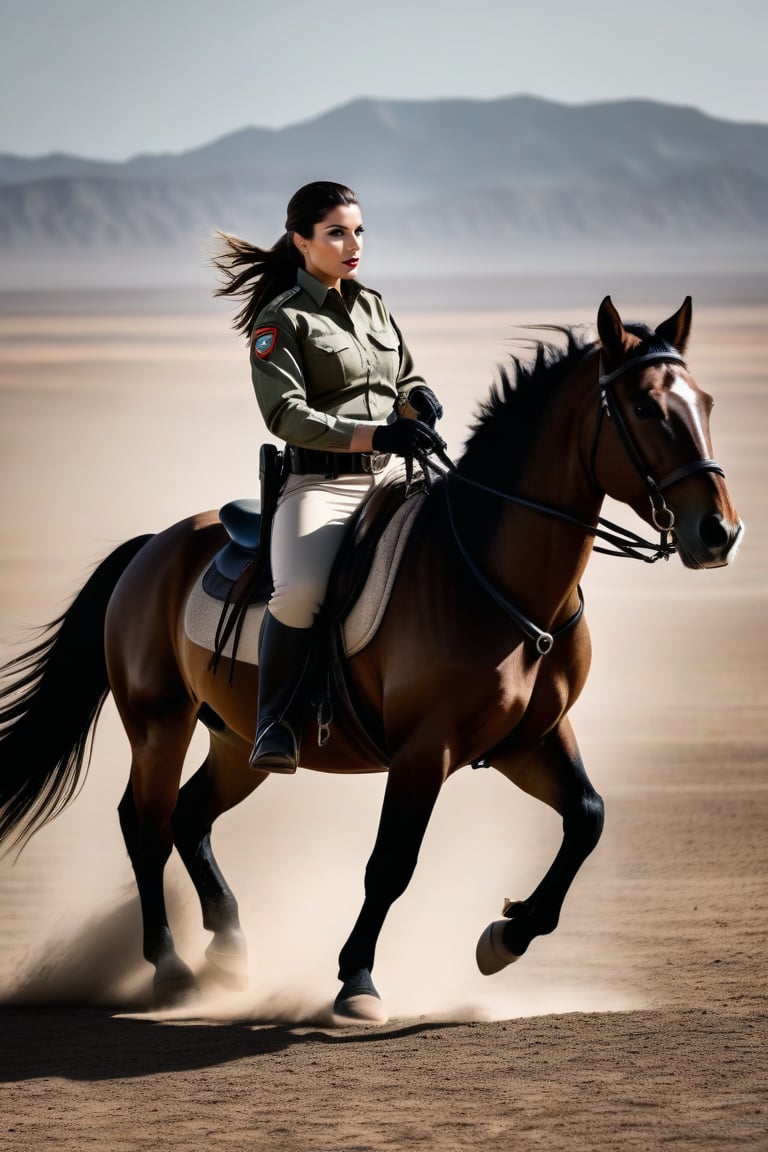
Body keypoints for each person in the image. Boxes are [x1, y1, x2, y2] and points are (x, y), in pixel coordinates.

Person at [213, 181, 444, 774]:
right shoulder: (280, 319)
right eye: (337, 232)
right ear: (301, 241)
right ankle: (274, 722)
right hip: (322, 487)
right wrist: (377, 434)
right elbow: (285, 414)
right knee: (299, 593)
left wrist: (420, 400)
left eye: (359, 231)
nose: (352, 243)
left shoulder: (374, 305)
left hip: (395, 475)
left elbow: (406, 377)